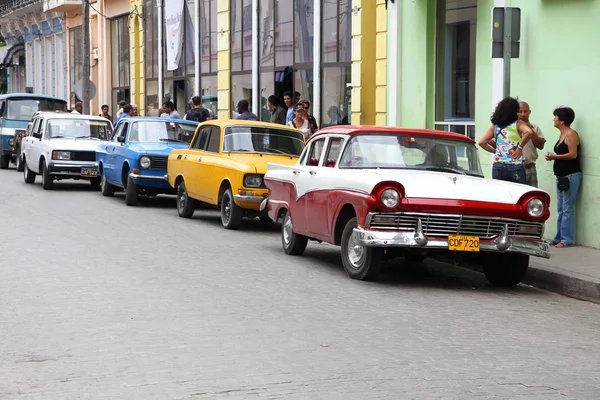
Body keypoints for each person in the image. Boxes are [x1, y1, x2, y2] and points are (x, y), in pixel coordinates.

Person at [545, 107, 582, 248]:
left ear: (562, 120)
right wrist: (553, 157)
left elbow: (573, 154)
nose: (554, 119)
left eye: (556, 117)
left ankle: (566, 239)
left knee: (567, 209)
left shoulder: (571, 134)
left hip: (570, 175)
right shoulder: (562, 134)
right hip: (561, 176)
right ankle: (559, 236)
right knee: (561, 208)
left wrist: (555, 156)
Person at [478, 97, 534, 184]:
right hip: (515, 165)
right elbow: (529, 132)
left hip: (498, 165)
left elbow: (482, 142)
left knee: (500, 194)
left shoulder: (495, 127)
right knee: (518, 194)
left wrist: (495, 151)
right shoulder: (518, 124)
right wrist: (520, 147)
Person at [518, 101, 546, 187]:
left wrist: (529, 128)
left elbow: (540, 146)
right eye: (520, 111)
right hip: (516, 167)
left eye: (525, 111)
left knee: (532, 194)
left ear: (529, 112)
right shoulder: (511, 127)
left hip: (530, 166)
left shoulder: (535, 127)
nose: (523, 114)